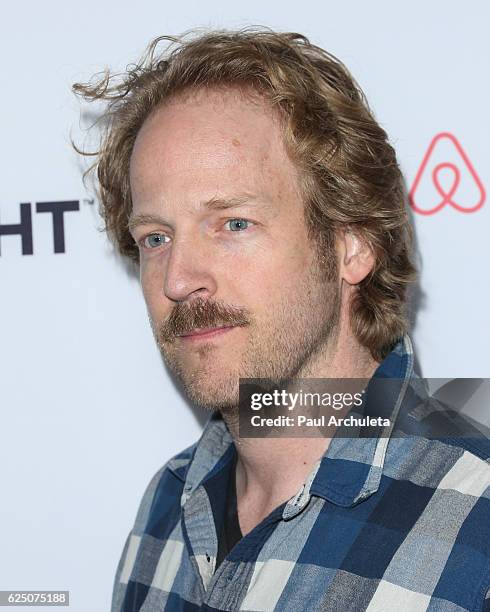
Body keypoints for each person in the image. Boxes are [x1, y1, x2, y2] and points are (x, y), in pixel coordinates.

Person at [73, 28, 490, 612]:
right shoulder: (167, 509)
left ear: (352, 244)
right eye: (156, 237)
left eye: (233, 223)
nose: (177, 279)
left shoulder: (477, 519)